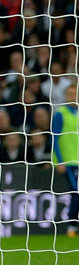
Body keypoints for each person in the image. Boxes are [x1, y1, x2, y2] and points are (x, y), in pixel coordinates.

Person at [52, 83, 79, 237]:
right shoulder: (60, 114)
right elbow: (54, 138)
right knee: (77, 192)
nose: (72, 97)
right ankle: (71, 226)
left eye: (74, 94)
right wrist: (59, 161)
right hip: (69, 161)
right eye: (69, 94)